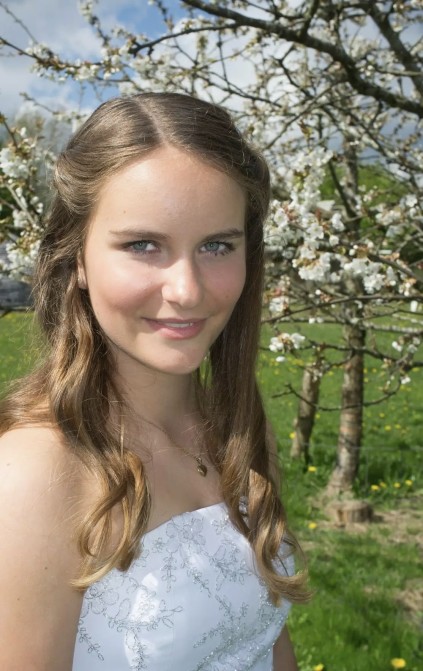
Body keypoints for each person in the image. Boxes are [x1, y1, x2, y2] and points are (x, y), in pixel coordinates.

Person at [0, 93, 307, 670]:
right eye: (143, 245)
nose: (187, 290)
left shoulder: (237, 432)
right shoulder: (33, 479)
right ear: (79, 259)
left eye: (217, 245)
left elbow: (264, 638)